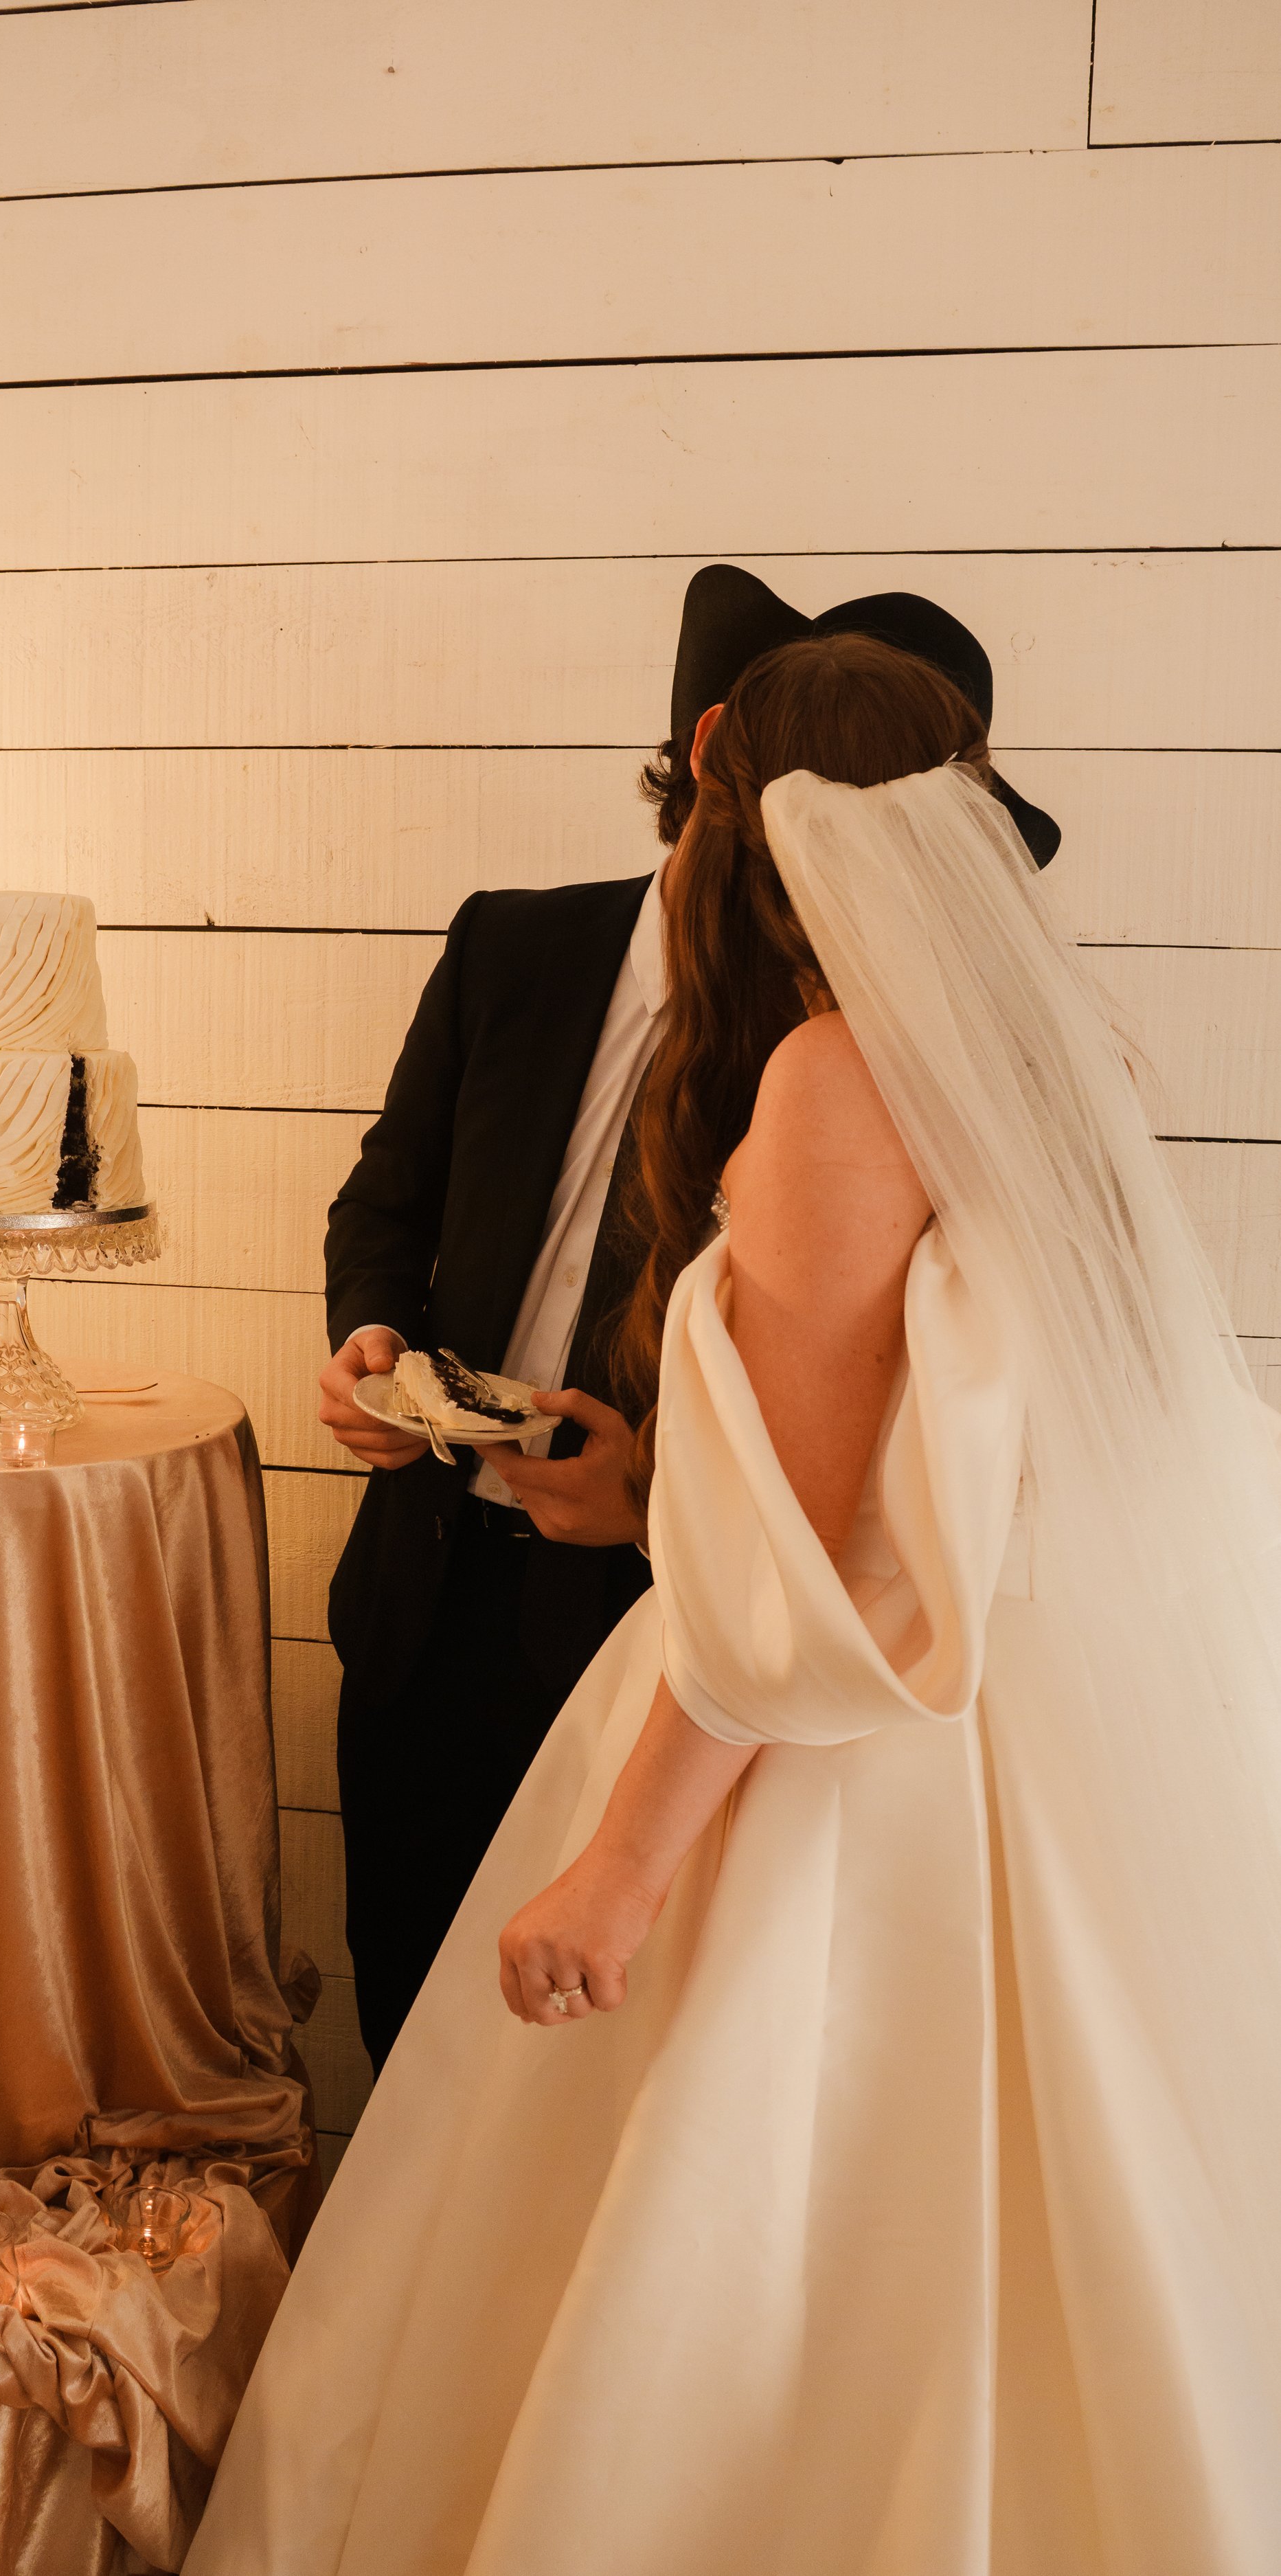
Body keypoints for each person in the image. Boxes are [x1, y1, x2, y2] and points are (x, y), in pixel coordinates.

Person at [188, 635, 1281, 2573]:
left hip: (843, 1764)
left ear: (731, 825)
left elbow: (788, 1577)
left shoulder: (838, 1079)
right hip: (1014, 1734)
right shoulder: (1061, 1046)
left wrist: (616, 1866)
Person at [320, 563, 1061, 2070]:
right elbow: (381, 1202)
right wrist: (370, 1342)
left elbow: (842, 1460)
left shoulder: (841, 1061)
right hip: (425, 1605)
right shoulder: (508, 946)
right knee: (409, 2037)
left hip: (659, 1647)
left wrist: (647, 1496)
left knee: (587, 2082)